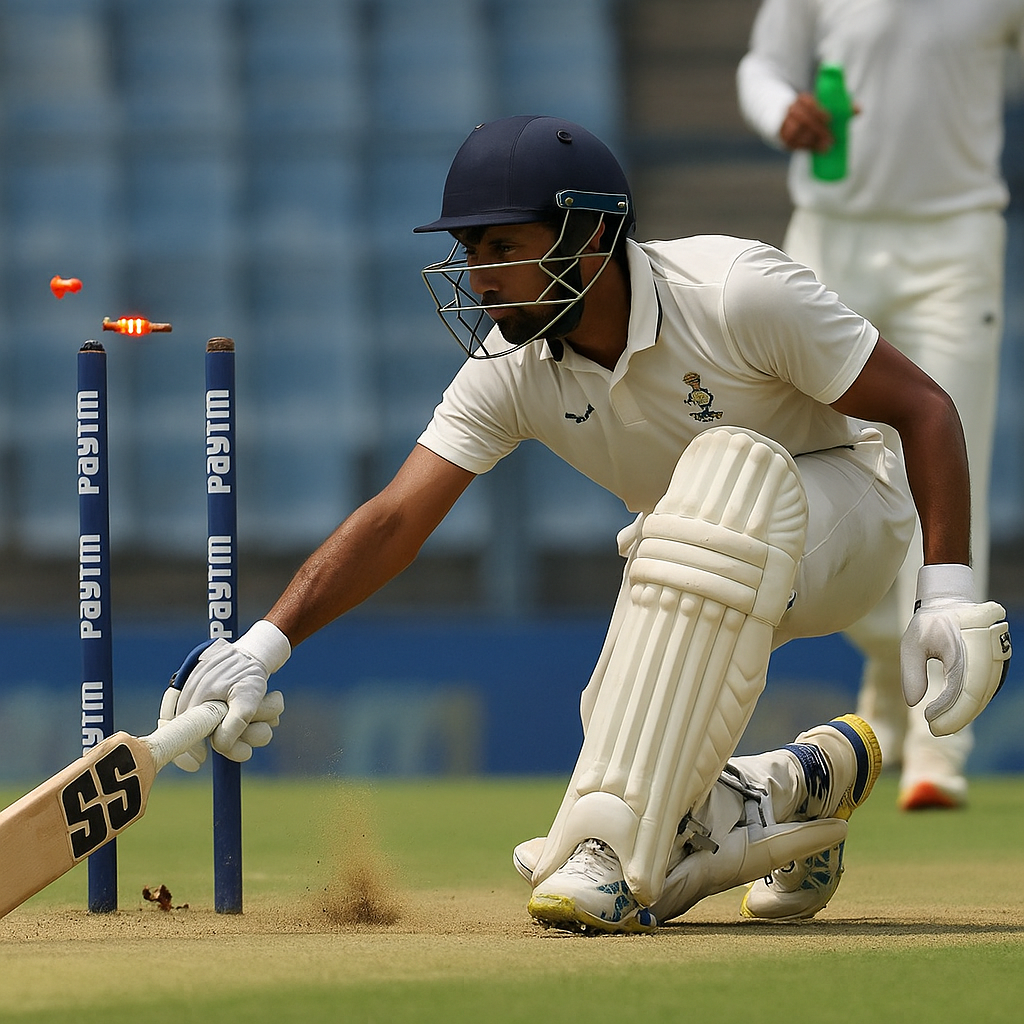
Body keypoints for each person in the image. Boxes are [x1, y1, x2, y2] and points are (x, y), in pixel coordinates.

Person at [158, 116, 1010, 934]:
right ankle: (790, 790)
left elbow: (926, 409)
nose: (479, 274)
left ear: (588, 237)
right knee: (632, 717)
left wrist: (946, 594)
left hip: (850, 514)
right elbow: (394, 518)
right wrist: (261, 647)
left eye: (500, 246)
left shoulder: (735, 293)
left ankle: (611, 844)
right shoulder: (511, 370)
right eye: (468, 251)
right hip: (700, 548)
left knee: (721, 478)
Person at [737, 0, 1024, 810]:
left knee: (951, 455)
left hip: (957, 240)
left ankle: (942, 743)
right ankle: (880, 650)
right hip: (831, 237)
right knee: (816, 462)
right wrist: (778, 111)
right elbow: (762, 68)